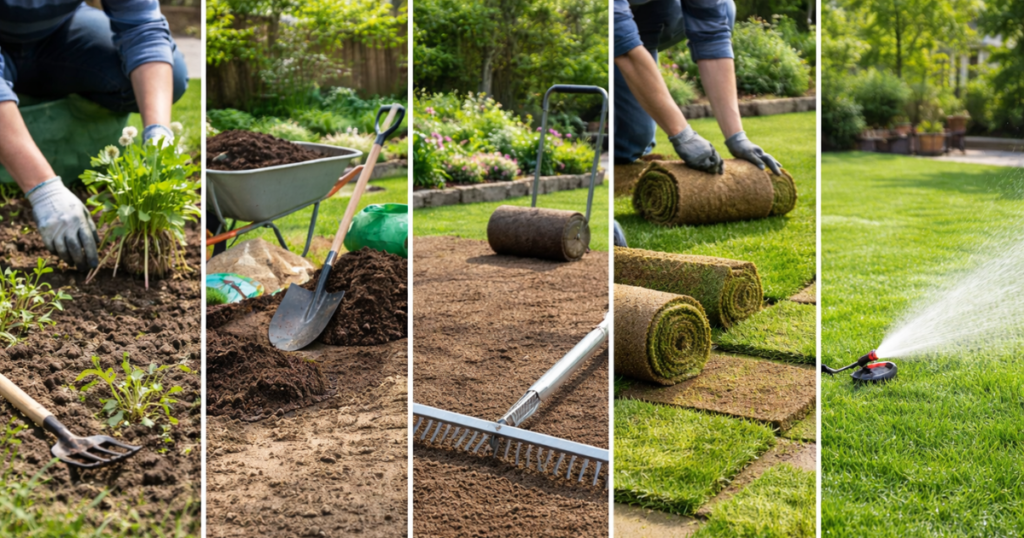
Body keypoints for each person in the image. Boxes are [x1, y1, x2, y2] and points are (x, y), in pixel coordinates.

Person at [0, 0, 189, 270]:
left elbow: (143, 27)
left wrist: (158, 134)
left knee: (174, 74)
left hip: (57, 35)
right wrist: (43, 189)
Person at [614, 0, 781, 176]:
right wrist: (683, 136)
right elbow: (621, 41)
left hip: (650, 23)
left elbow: (712, 36)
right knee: (629, 143)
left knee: (725, 7)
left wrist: (737, 137)